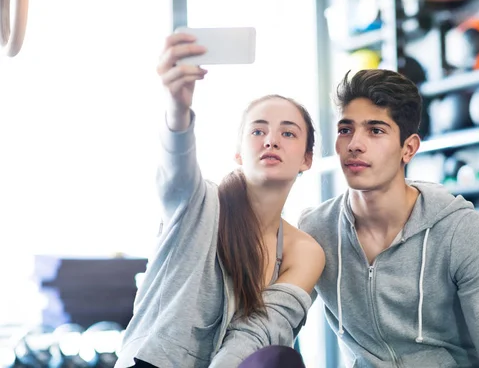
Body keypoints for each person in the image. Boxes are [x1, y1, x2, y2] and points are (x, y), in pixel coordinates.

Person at [298, 69, 479, 367]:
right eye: (346, 130)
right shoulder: (316, 231)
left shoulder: (459, 229)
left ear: (408, 148)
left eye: (375, 130)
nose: (354, 144)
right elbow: (274, 320)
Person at [115, 32, 325, 368]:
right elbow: (177, 174)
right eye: (257, 131)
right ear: (238, 154)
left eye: (288, 133)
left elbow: (259, 333)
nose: (271, 140)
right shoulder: (202, 203)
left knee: (280, 359)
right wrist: (178, 108)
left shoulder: (304, 251)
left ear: (307, 159)